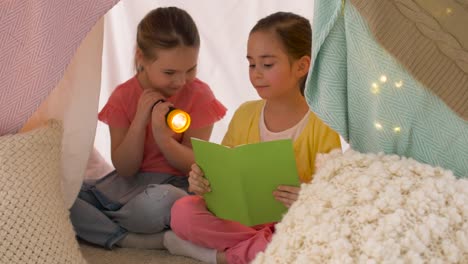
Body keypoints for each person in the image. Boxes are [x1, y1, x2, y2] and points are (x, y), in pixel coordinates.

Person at [165, 12, 342, 264]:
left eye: (267, 65)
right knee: (182, 211)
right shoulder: (245, 114)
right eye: (251, 64)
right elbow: (223, 173)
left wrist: (307, 195)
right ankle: (257, 250)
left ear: (302, 66)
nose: (256, 73)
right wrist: (202, 181)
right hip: (241, 220)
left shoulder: (322, 123)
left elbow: (333, 193)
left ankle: (218, 256)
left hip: (289, 221)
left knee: (311, 236)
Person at [69, 7, 227, 250]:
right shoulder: (123, 96)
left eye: (190, 70)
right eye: (170, 72)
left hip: (172, 187)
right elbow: (125, 168)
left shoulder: (200, 95)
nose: (181, 81)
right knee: (60, 195)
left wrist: (165, 140)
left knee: (163, 202)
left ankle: (105, 228)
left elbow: (195, 164)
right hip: (126, 186)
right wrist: (141, 119)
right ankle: (128, 238)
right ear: (141, 57)